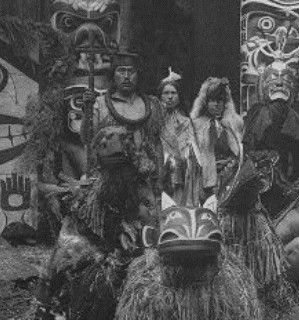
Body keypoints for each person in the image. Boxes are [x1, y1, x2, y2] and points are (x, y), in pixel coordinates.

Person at [83, 51, 164, 201]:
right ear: (113, 75)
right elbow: (88, 139)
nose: (126, 76)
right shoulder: (100, 105)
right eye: (121, 71)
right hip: (110, 182)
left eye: (131, 71)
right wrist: (87, 110)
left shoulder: (152, 106)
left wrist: (159, 178)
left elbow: (157, 143)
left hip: (143, 182)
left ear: (138, 75)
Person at [190, 77, 244, 201]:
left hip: (230, 178)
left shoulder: (233, 125)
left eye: (220, 100)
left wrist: (230, 162)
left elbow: (239, 152)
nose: (217, 104)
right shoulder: (196, 125)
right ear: (205, 102)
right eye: (212, 100)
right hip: (206, 181)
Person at [158, 68, 202, 206]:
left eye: (173, 93)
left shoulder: (185, 122)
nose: (170, 97)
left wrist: (187, 156)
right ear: (160, 96)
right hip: (160, 172)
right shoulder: (155, 121)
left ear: (179, 96)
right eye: (166, 93)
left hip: (181, 174)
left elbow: (193, 148)